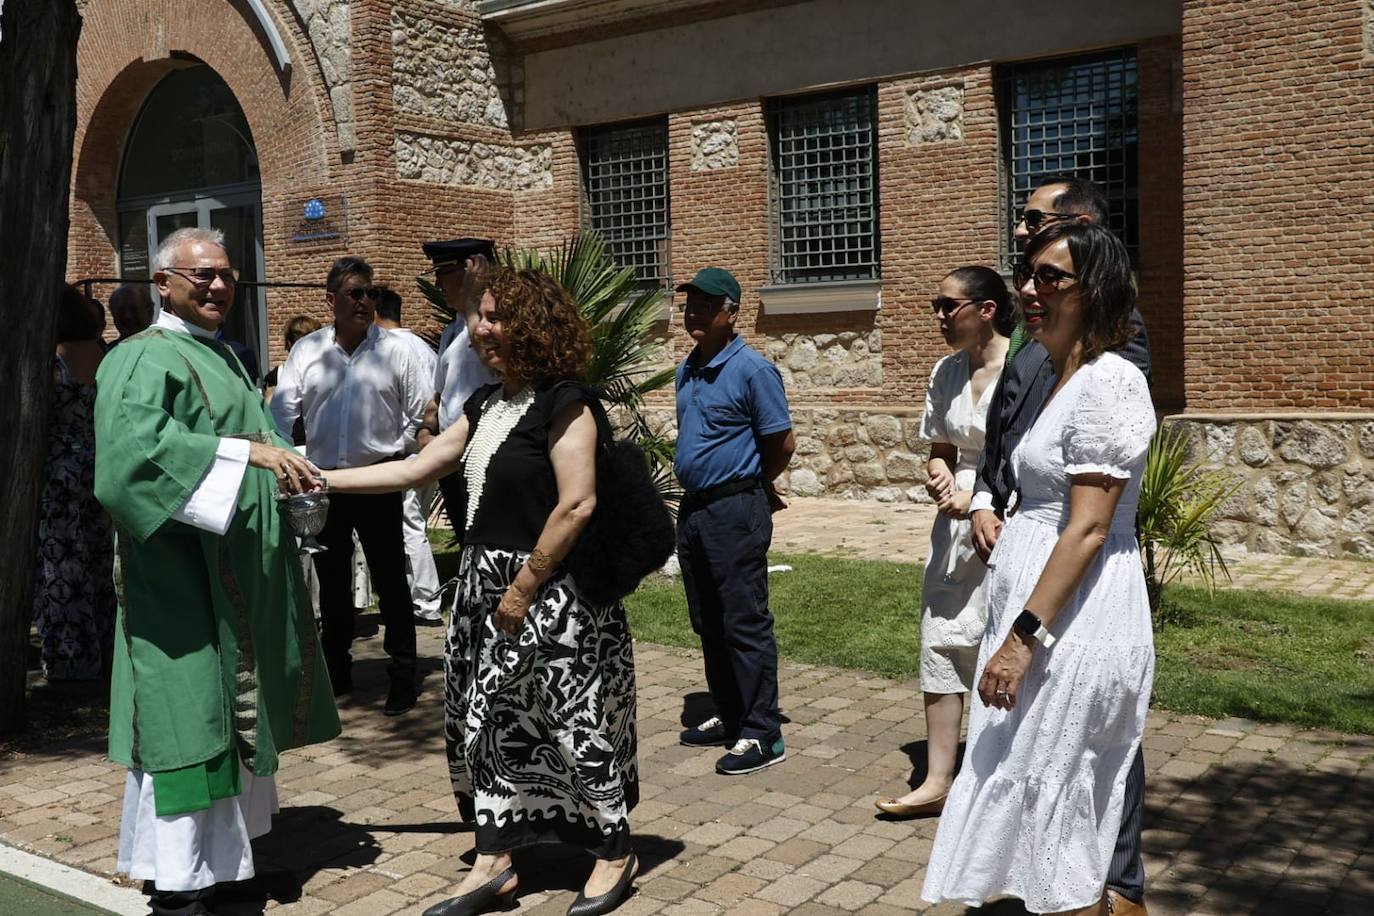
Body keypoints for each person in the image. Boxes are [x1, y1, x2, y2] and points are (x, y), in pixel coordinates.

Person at [317, 267, 640, 916]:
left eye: (496, 316)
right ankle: (495, 862)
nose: (481, 327)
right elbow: (415, 467)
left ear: (535, 325)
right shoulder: (486, 403)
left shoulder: (566, 401)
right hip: (485, 593)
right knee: (484, 724)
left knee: (574, 723)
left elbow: (576, 505)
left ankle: (612, 851)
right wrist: (317, 480)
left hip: (554, 597)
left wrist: (521, 589)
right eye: (478, 315)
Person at [93, 227, 340, 916]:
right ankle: (179, 882)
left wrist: (288, 463)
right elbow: (131, 461)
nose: (217, 286)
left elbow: (256, 436)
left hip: (234, 582)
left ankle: (226, 866)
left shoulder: (221, 355)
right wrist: (248, 456)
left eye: (226, 274)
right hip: (178, 591)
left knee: (232, 721)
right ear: (162, 284)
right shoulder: (142, 359)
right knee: (187, 724)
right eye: (200, 276)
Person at [922, 221, 1157, 915]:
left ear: (1096, 291)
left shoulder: (1109, 382)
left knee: (1062, 805)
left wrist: (1022, 640)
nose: (1029, 288)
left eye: (1051, 277)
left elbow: (1086, 529)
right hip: (1045, 615)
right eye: (1027, 273)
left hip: (1073, 623)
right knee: (1035, 795)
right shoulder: (1065, 376)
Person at [874, 267, 1012, 817]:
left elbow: (1025, 458)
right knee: (940, 643)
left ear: (987, 310)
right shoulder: (945, 371)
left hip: (1005, 522)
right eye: (936, 304)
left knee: (995, 644)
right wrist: (939, 474)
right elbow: (941, 447)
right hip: (950, 531)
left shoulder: (1024, 370)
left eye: (947, 306)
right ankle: (936, 780)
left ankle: (996, 779)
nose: (938, 316)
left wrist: (977, 495)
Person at [270, 257, 429, 715]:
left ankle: (403, 674)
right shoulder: (308, 352)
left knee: (390, 582)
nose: (365, 302)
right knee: (333, 582)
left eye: (370, 294)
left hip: (378, 480)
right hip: (325, 485)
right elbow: (281, 416)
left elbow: (419, 416)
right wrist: (295, 463)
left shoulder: (397, 350)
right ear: (331, 299)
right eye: (355, 293)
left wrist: (392, 453)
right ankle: (338, 674)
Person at [672, 268, 795, 776]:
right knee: (709, 620)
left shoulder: (752, 370)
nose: (695, 312)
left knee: (744, 621)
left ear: (732, 312)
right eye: (690, 305)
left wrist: (749, 483)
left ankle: (762, 732)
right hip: (695, 509)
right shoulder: (688, 368)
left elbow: (781, 443)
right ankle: (728, 713)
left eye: (706, 305)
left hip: (735, 509)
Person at [32, 285, 116, 680]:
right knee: (97, 563)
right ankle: (107, 651)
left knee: (61, 567)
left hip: (58, 471)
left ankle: (71, 664)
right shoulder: (99, 352)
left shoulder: (52, 359)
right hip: (95, 464)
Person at [373, 285, 444, 626]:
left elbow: (417, 407)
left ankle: (426, 602)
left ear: (375, 312)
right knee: (413, 523)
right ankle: (414, 596)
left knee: (409, 524)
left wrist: (400, 446)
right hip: (429, 447)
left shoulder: (391, 348)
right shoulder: (423, 347)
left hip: (408, 450)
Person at [417, 238, 500, 529]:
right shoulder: (452, 330)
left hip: (486, 456)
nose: (438, 285)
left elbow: (484, 351)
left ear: (467, 271)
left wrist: (473, 299)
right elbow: (441, 393)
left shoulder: (494, 329)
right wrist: (427, 430)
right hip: (452, 456)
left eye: (443, 274)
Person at [108, 282, 155, 347]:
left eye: (134, 309)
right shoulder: (106, 353)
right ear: (112, 312)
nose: (127, 316)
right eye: (121, 310)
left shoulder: (165, 350)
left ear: (150, 311)